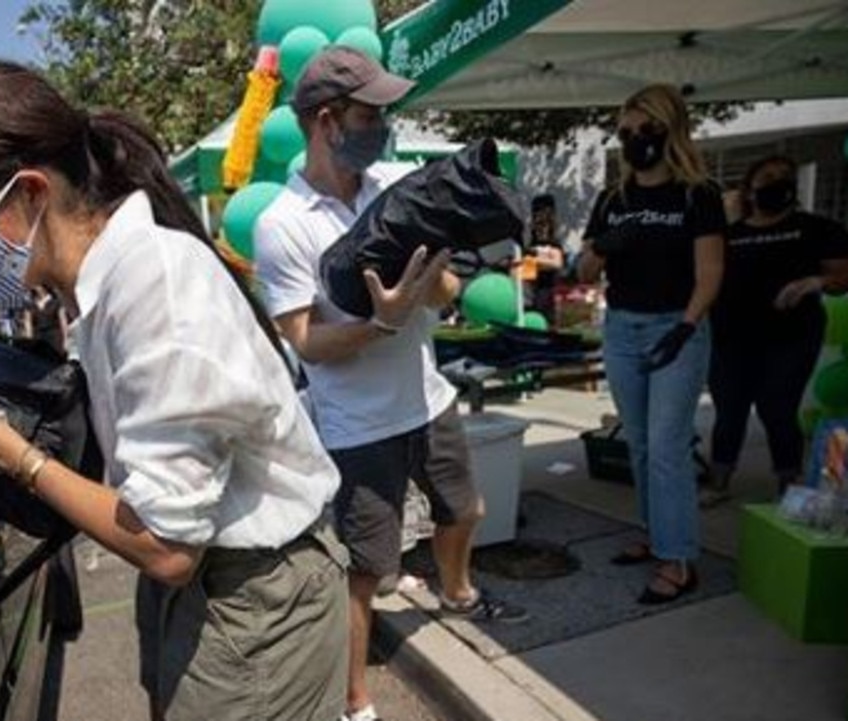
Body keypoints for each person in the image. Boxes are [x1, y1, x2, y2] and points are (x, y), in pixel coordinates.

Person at [0, 59, 349, 721]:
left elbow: (167, 546)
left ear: (27, 193)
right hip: (214, 590)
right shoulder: (103, 291)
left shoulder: (154, 283)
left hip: (252, 598)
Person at [253, 46, 528, 721]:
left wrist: (433, 278)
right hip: (357, 426)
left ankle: (457, 593)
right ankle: (354, 701)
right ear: (327, 120)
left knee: (466, 511)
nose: (385, 124)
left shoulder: (395, 187)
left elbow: (448, 290)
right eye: (371, 112)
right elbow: (307, 341)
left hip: (427, 399)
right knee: (366, 570)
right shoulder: (281, 225)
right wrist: (379, 323)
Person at [577, 83, 726, 604]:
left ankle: (679, 557)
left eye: (646, 130)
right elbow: (583, 269)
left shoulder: (697, 195)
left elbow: (710, 272)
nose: (635, 139)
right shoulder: (612, 199)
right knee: (639, 445)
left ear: (670, 131)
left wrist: (685, 328)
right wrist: (603, 247)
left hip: (675, 326)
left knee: (667, 448)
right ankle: (656, 534)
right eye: (625, 132)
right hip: (621, 327)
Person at [705, 155, 848, 504]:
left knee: (777, 406)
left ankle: (788, 480)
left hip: (791, 336)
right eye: (768, 177)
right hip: (731, 335)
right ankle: (719, 481)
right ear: (750, 189)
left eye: (784, 177)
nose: (777, 183)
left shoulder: (816, 228)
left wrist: (813, 282)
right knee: (729, 408)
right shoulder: (729, 235)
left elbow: (842, 276)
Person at [524, 193, 568, 321]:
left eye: (546, 213)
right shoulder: (531, 244)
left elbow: (557, 262)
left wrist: (535, 260)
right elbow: (527, 272)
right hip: (534, 296)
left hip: (551, 296)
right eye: (537, 213)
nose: (541, 220)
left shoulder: (555, 244)